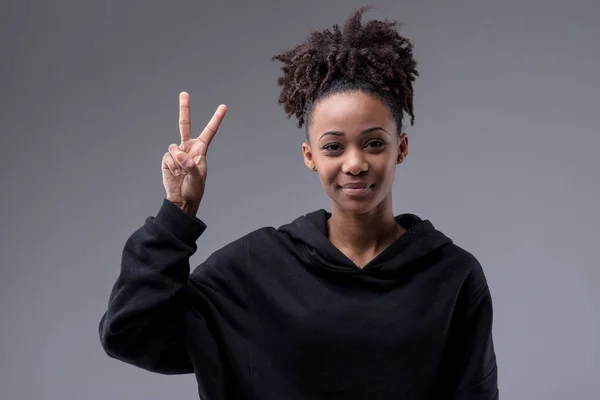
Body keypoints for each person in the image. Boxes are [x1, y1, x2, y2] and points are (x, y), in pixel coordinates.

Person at [98, 6, 499, 400]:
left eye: (374, 143)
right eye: (333, 147)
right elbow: (131, 334)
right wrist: (177, 215)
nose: (355, 163)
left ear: (402, 148)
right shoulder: (258, 268)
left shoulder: (453, 275)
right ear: (310, 156)